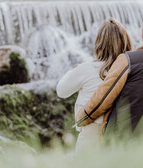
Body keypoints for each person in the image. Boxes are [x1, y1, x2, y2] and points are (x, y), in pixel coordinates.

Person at [56, 18, 132, 151]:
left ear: (98, 44)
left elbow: (61, 91)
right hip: (121, 138)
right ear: (125, 44)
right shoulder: (130, 70)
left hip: (91, 137)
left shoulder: (86, 69)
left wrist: (76, 69)